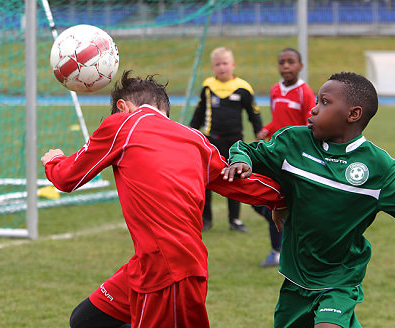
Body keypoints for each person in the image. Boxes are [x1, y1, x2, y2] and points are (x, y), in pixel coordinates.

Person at [41, 71, 286, 328]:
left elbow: (66, 177)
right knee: (86, 321)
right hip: (149, 264)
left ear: (122, 108)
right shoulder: (197, 140)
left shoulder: (123, 124)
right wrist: (279, 198)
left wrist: (54, 160)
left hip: (170, 268)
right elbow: (238, 182)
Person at [222, 72, 395, 328]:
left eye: (325, 102)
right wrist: (241, 160)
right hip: (295, 279)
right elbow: (248, 149)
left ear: (353, 114)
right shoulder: (293, 142)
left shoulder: (380, 168)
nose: (313, 108)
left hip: (340, 280)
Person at [189, 46, 263, 233]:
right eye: (217, 64)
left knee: (234, 179)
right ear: (213, 67)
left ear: (232, 65)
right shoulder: (208, 86)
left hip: (234, 142)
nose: (222, 67)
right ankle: (205, 219)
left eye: (225, 63)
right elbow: (199, 112)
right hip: (210, 140)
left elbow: (253, 113)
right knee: (206, 180)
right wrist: (189, 133)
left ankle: (235, 220)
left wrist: (259, 132)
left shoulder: (243, 87)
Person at [254, 48, 315, 267]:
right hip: (275, 153)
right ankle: (288, 231)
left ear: (300, 66)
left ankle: (277, 253)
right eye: (282, 62)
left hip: (295, 157)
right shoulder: (274, 90)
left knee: (275, 201)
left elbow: (311, 124)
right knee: (259, 200)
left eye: (291, 62)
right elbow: (277, 120)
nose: (286, 66)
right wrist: (266, 130)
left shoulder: (304, 92)